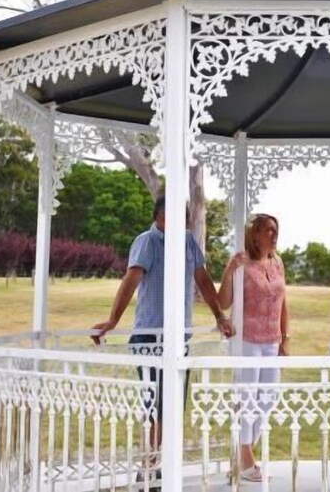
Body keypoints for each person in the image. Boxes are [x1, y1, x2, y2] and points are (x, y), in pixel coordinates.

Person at [90, 196, 235, 462]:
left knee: (172, 408)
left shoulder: (189, 242)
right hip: (149, 337)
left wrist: (220, 317)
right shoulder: (148, 241)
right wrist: (112, 321)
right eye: (177, 215)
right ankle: (150, 467)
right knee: (155, 408)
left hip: (180, 339)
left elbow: (202, 280)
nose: (183, 220)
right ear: (162, 215)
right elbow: (130, 281)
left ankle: (160, 467)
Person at [218, 213, 288, 483]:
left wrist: (286, 336)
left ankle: (241, 449)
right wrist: (229, 270)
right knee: (247, 399)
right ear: (255, 234)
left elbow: (284, 300)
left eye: (275, 229)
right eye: (268, 230)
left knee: (268, 398)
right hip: (247, 340)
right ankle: (246, 454)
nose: (273, 234)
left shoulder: (278, 262)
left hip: (272, 341)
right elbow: (224, 302)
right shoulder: (241, 262)